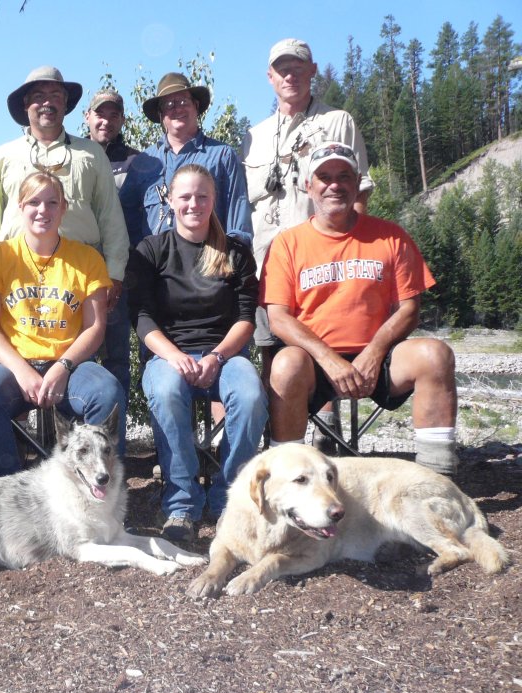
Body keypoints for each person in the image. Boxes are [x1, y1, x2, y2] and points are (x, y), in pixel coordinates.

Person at [261, 142, 458, 476]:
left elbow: (409, 308)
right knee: (285, 364)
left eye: (344, 176)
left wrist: (374, 352)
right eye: (324, 177)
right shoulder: (287, 243)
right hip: (315, 365)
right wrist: (328, 359)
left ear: (357, 183)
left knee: (435, 355)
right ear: (309, 186)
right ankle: (286, 480)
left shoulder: (391, 237)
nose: (334, 185)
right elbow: (278, 316)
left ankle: (438, 481)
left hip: (379, 360)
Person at [0, 66, 130, 397]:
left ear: (66, 103)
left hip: (80, 279)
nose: (47, 103)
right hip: (13, 280)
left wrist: (113, 272)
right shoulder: (2, 156)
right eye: (38, 96)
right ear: (26, 104)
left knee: (106, 374)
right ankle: (7, 448)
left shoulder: (90, 153)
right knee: (1, 384)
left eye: (55, 95)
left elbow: (111, 217)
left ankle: (102, 448)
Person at [243, 38, 374, 449]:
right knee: (271, 349)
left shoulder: (338, 121)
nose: (290, 75)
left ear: (313, 71)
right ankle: (280, 438)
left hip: (323, 262)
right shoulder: (253, 136)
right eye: (282, 68)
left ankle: (326, 435)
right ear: (269, 77)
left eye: (298, 67)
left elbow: (360, 193)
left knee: (325, 341)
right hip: (266, 261)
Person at [127, 164, 267, 544]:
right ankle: (182, 502)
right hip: (169, 355)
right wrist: (174, 356)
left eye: (202, 196)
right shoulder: (151, 250)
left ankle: (231, 498)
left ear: (213, 200)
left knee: (251, 395)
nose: (193, 204)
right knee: (167, 390)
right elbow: (140, 317)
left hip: (225, 355)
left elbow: (245, 318)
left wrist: (217, 357)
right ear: (170, 202)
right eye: (185, 196)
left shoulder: (235, 252)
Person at [0, 171, 126, 477]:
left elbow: (95, 327)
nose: (43, 210)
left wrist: (63, 367)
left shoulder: (88, 258)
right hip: (13, 365)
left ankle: (93, 485)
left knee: (107, 392)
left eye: (52, 202)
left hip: (72, 365)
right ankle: (9, 487)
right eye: (34, 202)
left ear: (64, 208)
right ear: (20, 207)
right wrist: (21, 370)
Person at [120, 72, 252, 247]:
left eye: (183, 101)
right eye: (169, 104)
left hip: (209, 264)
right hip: (154, 269)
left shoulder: (222, 156)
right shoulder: (143, 162)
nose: (177, 108)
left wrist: (232, 258)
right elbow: (124, 220)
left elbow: (238, 217)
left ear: (196, 106)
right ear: (160, 114)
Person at [83, 87, 140, 401]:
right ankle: (79, 440)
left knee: (117, 356)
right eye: (100, 113)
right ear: (87, 116)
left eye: (114, 114)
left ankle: (114, 437)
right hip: (77, 273)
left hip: (118, 272)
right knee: (80, 355)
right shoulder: (74, 156)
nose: (106, 120)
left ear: (121, 119)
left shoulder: (136, 162)